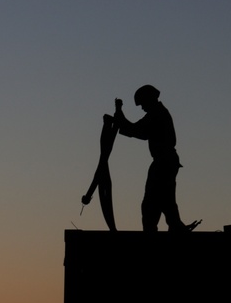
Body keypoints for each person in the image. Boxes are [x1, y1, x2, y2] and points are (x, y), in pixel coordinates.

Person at [114, 85, 199, 232]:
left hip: (164, 162)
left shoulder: (157, 114)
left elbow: (137, 130)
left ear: (149, 99)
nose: (142, 108)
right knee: (165, 200)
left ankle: (159, 230)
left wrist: (119, 114)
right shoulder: (157, 113)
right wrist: (120, 117)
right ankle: (175, 226)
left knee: (151, 202)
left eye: (142, 104)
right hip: (167, 162)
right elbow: (139, 131)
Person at [81, 99, 122, 231]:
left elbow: (96, 178)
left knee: (105, 198)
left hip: (102, 175)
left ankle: (112, 228)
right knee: (104, 154)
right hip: (103, 175)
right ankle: (112, 228)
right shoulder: (104, 156)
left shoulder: (103, 157)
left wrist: (88, 195)